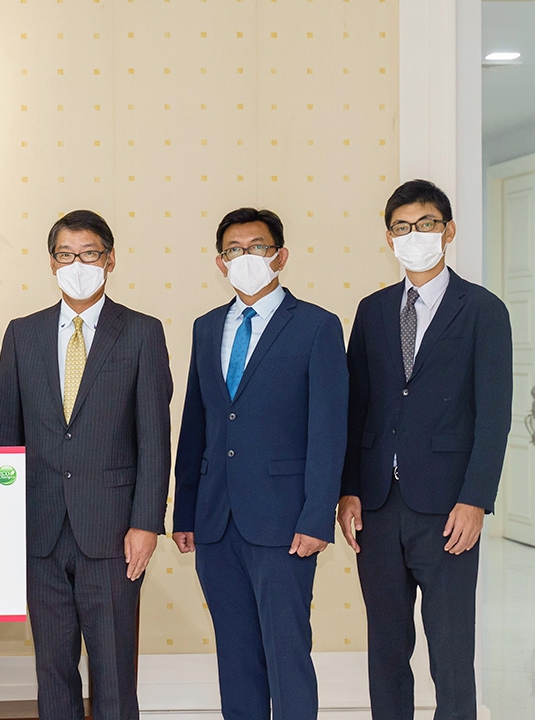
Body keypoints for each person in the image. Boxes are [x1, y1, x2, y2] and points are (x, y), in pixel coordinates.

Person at [339, 180, 512, 720]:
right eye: (402, 227)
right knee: (387, 649)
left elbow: (494, 416)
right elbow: (356, 408)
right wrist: (348, 490)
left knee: (451, 652)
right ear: (389, 238)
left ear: (448, 230)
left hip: (448, 508)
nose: (414, 235)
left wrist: (475, 500)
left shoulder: (483, 310)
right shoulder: (371, 310)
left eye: (426, 224)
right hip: (377, 506)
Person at [0, 210, 172, 720]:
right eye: (66, 255)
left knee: (114, 671)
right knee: (52, 671)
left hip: (114, 532)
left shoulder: (141, 332)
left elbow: (154, 439)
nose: (77, 265)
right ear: (52, 263)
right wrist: (6, 526)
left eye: (89, 254)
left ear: (110, 260)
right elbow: (7, 439)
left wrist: (146, 523)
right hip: (40, 531)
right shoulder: (21, 334)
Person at [172, 208, 348, 720]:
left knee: (286, 655)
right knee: (236, 657)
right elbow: (196, 424)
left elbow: (329, 429)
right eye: (233, 250)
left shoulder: (316, 326)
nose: (244, 257)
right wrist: (185, 513)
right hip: (215, 522)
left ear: (280, 256)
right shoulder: (207, 327)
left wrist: (317, 516)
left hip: (285, 523)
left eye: (257, 247)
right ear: (220, 262)